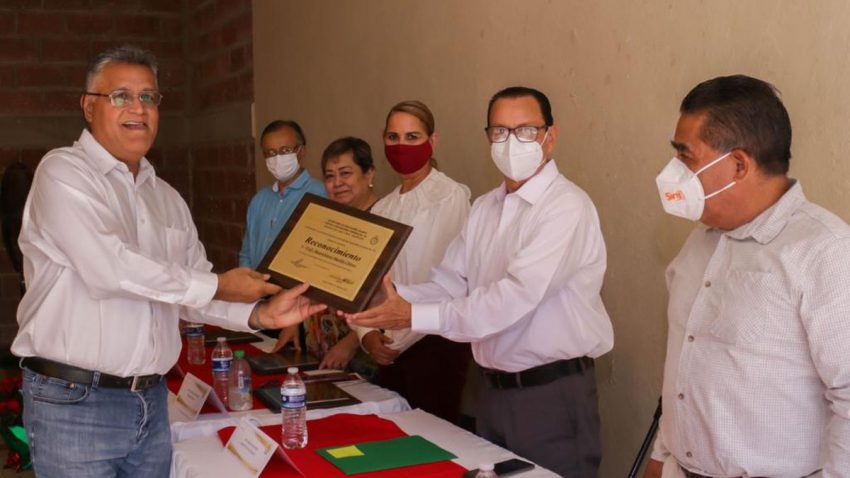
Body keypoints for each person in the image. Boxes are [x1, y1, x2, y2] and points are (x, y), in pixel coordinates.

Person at [12, 45, 325, 478]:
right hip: (75, 403)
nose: (138, 108)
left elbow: (191, 292)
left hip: (151, 401)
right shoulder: (63, 173)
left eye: (148, 97)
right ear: (88, 106)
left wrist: (259, 314)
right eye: (120, 96)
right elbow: (111, 269)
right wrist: (221, 285)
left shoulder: (167, 198)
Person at [346, 87, 613, 477]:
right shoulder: (485, 207)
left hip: (549, 394)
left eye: (525, 131)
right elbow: (449, 283)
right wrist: (384, 298)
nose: (511, 143)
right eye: (500, 132)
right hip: (492, 391)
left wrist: (413, 315)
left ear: (550, 136)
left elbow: (512, 299)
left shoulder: (565, 207)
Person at [643, 75, 850, 478]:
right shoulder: (700, 242)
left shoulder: (826, 252)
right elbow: (684, 366)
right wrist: (662, 456)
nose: (674, 171)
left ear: (738, 164)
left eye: (686, 155)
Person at [352, 100, 473, 424]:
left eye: (412, 137)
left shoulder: (450, 197)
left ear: (432, 141)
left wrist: (398, 338)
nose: (401, 146)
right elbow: (363, 281)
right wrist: (367, 335)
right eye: (393, 137)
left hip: (434, 343)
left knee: (433, 438)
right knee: (393, 435)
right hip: (387, 346)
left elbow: (447, 282)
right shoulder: (383, 208)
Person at [273, 137, 378, 377]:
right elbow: (306, 276)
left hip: (362, 353)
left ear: (369, 173)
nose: (337, 183)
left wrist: (352, 342)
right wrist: (293, 322)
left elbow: (390, 296)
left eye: (345, 173)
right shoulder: (324, 220)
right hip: (317, 348)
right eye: (330, 176)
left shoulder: (385, 222)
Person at [238, 119, 326, 270]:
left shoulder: (320, 194)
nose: (277, 158)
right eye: (270, 153)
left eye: (285, 150)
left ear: (301, 151)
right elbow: (246, 253)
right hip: (257, 283)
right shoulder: (259, 200)